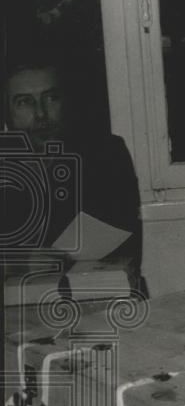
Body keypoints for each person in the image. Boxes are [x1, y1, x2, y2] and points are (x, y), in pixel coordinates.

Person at [3, 55, 142, 287]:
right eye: (25, 102)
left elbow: (110, 234)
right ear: (7, 112)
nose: (40, 115)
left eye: (51, 98)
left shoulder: (105, 153)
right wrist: (19, 261)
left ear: (66, 101)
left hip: (95, 294)